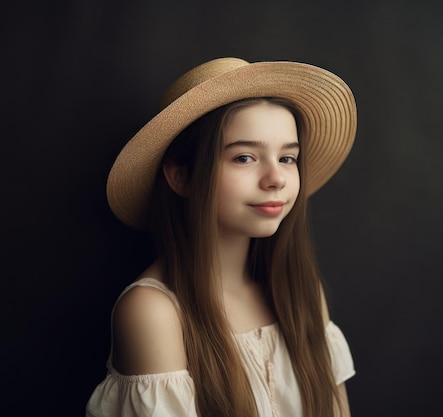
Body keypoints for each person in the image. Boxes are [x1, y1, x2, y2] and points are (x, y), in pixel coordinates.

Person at [87, 57, 358, 417]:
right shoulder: (154, 313)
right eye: (245, 157)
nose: (275, 178)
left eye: (288, 158)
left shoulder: (302, 292)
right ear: (181, 177)